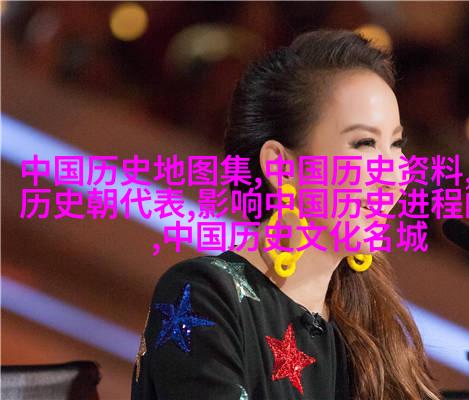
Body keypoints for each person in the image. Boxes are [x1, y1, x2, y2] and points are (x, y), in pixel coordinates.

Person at [131, 28, 441, 400]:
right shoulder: (205, 295)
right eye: (364, 144)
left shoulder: (373, 332)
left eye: (396, 144)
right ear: (280, 166)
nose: (392, 176)